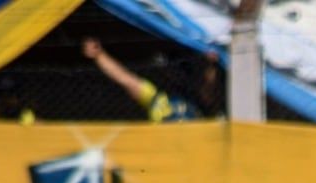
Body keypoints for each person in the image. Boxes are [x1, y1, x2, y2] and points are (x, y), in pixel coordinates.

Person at [81, 37, 218, 122]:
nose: (171, 74)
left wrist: (211, 65)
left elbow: (208, 90)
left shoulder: (195, 98)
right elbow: (124, 78)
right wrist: (99, 55)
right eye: (168, 70)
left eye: (176, 70)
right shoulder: (155, 97)